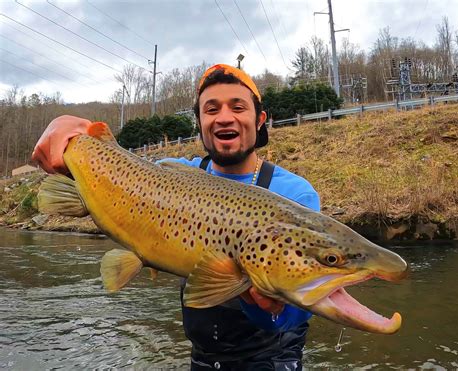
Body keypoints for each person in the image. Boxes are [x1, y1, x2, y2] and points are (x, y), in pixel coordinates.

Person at [32, 64, 320, 371]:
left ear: (260, 119)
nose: (224, 117)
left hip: (273, 362)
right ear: (199, 121)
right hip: (203, 360)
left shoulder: (294, 195)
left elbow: (302, 310)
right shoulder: (170, 174)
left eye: (238, 106)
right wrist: (68, 130)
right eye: (211, 109)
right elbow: (115, 165)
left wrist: (267, 304)